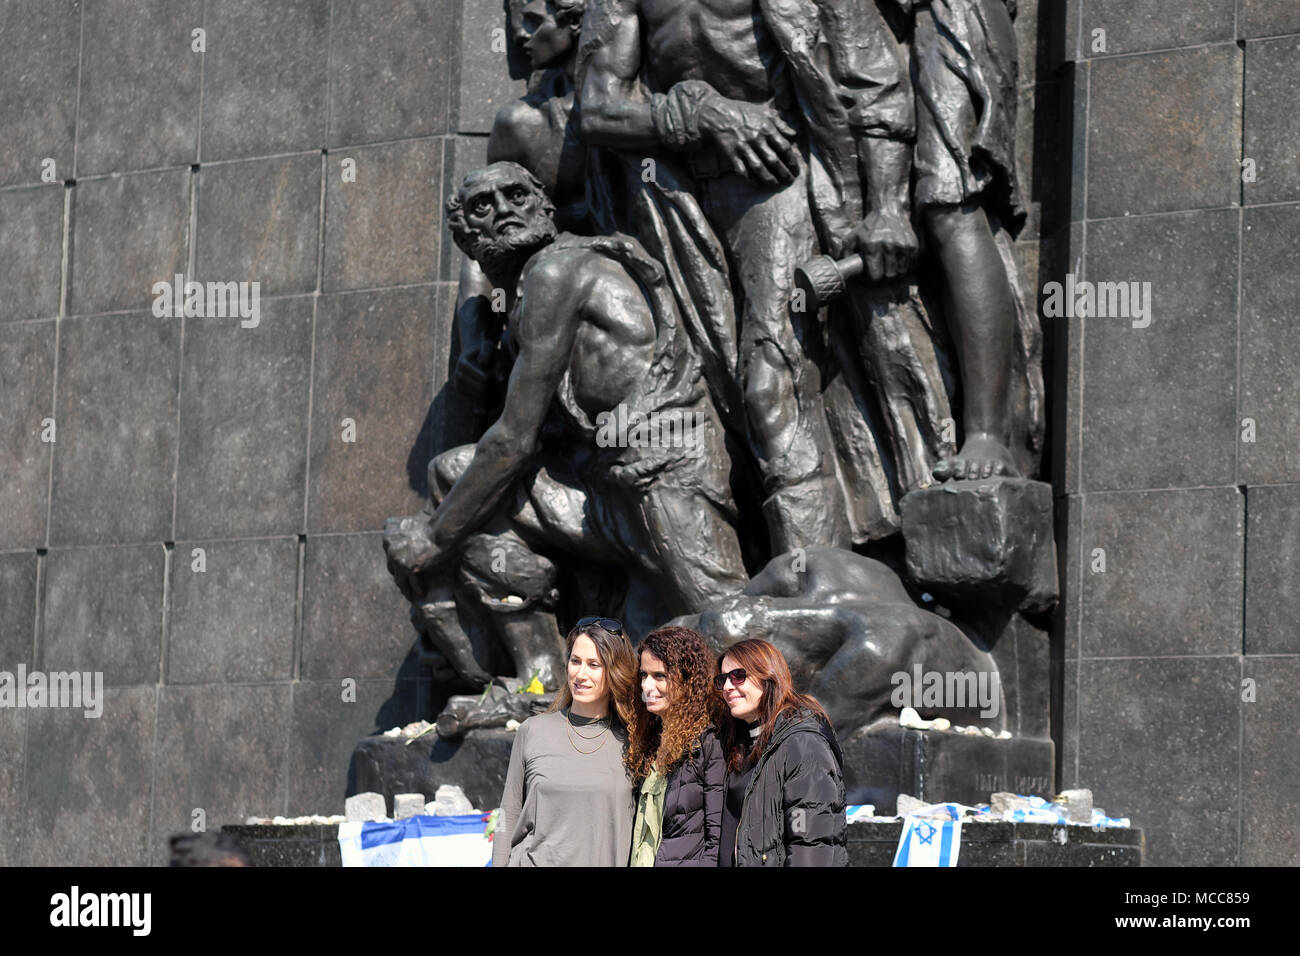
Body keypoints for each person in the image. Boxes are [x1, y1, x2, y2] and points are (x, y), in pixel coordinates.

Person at [492, 617, 638, 866]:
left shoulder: (633, 740)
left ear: (615, 671)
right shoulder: (532, 731)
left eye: (594, 664)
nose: (581, 674)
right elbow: (508, 813)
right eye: (575, 661)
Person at [717, 638, 847, 866]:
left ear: (768, 675)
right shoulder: (741, 742)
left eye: (738, 676)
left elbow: (811, 841)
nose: (728, 686)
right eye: (722, 679)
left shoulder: (803, 743)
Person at [626, 626, 726, 866]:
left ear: (688, 678)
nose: (647, 686)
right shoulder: (648, 740)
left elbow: (717, 841)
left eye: (659, 676)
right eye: (643, 675)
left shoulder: (709, 742)